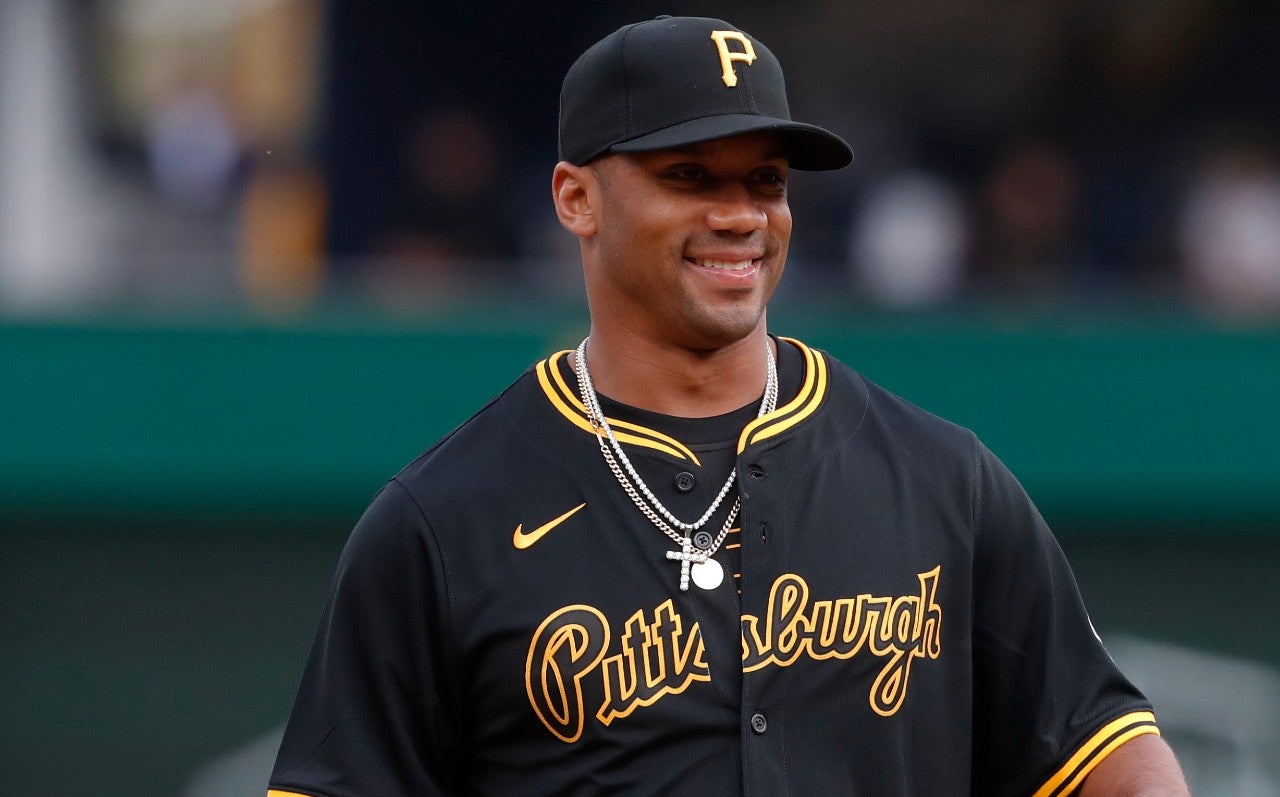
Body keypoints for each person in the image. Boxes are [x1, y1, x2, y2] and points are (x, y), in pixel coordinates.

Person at [268, 16, 1189, 796]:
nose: (741, 213)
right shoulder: (442, 521)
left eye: (766, 181)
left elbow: (1120, 763)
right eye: (691, 177)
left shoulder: (946, 482)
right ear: (576, 198)